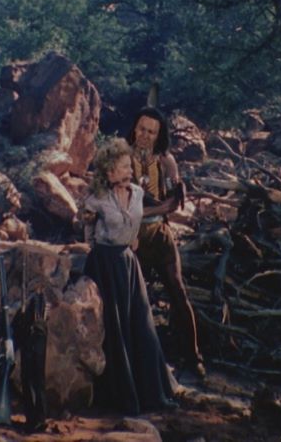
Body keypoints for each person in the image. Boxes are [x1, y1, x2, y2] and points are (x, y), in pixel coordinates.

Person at [82, 138, 178, 415]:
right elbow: (87, 229)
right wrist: (96, 244)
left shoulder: (137, 193)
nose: (129, 170)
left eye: (129, 166)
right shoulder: (97, 198)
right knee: (113, 328)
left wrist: (132, 239)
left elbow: (138, 220)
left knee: (141, 325)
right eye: (124, 166)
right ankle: (118, 397)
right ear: (109, 170)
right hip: (104, 264)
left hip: (127, 263)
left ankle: (152, 394)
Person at [127, 107, 206, 378]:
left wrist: (145, 211)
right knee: (134, 297)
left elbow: (174, 202)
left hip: (159, 234)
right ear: (134, 128)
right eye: (142, 129)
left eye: (151, 132)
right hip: (130, 237)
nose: (145, 135)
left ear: (159, 135)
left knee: (177, 290)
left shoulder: (166, 161)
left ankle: (193, 356)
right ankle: (136, 360)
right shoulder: (121, 157)